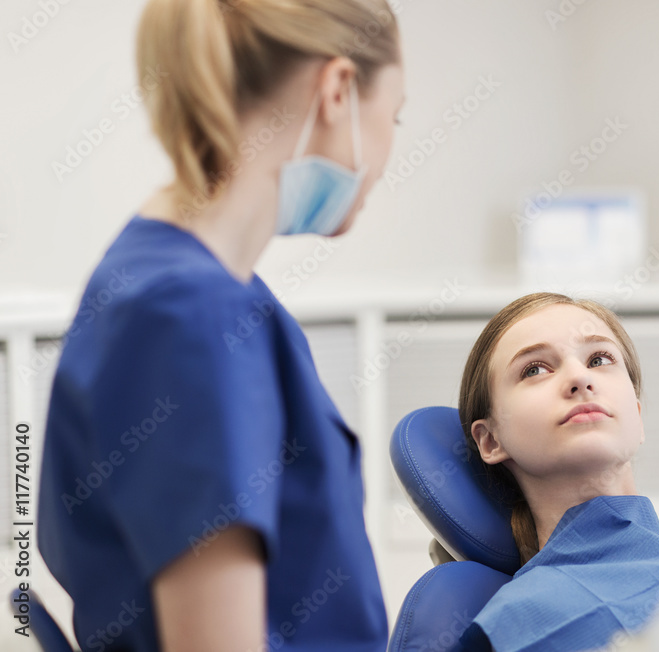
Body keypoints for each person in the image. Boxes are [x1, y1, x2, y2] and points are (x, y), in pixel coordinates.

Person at [37, 0, 404, 650]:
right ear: (338, 90)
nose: (390, 151)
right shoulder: (190, 314)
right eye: (394, 116)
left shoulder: (183, 287)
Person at [456, 292, 659, 652]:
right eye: (534, 369)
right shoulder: (511, 627)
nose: (579, 377)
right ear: (491, 441)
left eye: (599, 358)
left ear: (637, 417)